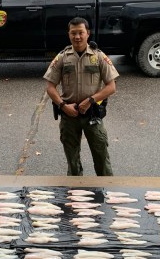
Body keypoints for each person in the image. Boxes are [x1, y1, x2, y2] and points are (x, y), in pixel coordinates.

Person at [44, 18, 119, 176]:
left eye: (81, 33)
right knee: (72, 161)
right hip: (69, 115)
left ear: (87, 33)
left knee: (101, 156)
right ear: (68, 34)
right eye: (73, 33)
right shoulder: (62, 57)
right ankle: (76, 189)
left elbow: (111, 87)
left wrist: (90, 100)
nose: (77, 37)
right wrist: (63, 106)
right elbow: (50, 87)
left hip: (92, 114)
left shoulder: (99, 56)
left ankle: (106, 188)